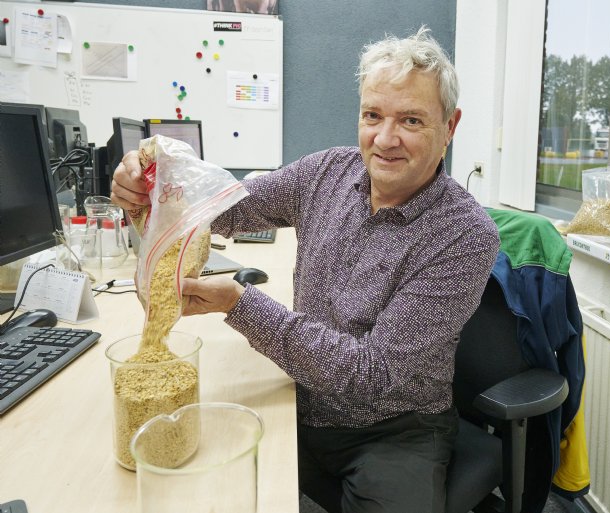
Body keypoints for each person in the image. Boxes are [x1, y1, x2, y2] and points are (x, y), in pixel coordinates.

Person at [111, 26, 499, 513]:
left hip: (394, 426)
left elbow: (373, 377)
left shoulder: (464, 234)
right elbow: (226, 210)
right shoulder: (326, 173)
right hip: (300, 392)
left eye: (411, 121)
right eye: (372, 115)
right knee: (197, 486)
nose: (385, 139)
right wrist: (151, 185)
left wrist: (240, 303)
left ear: (451, 125)